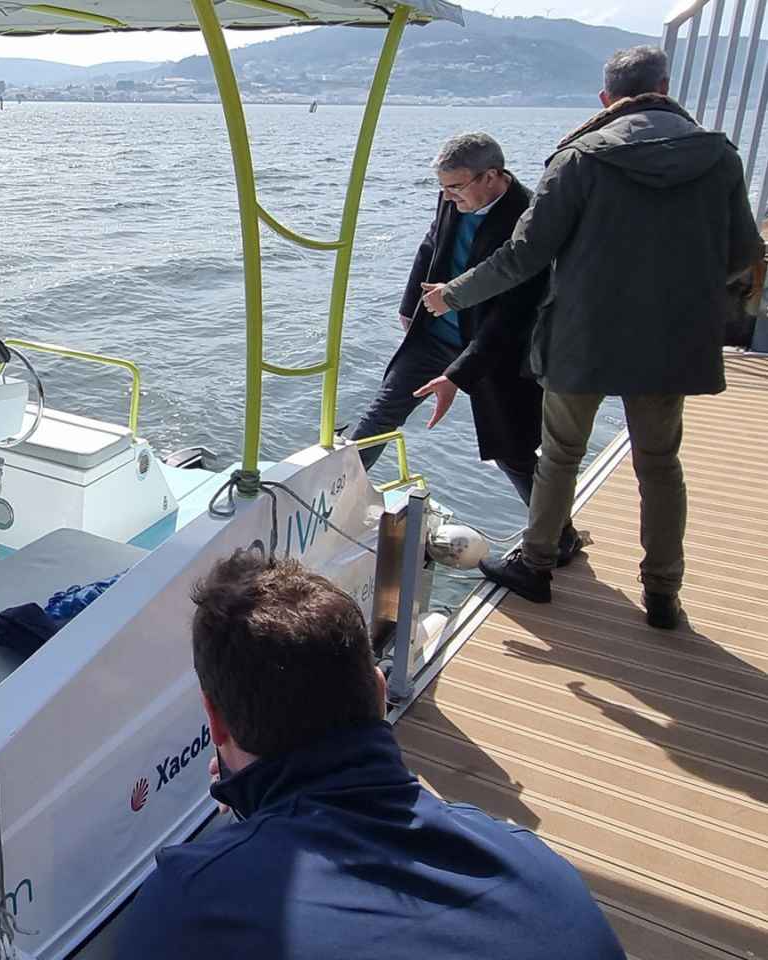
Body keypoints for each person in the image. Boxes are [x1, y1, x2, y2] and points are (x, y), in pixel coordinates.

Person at [118, 551, 626, 959]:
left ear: (216, 720)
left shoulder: (188, 910)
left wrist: (247, 836)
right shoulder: (536, 868)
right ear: (380, 692)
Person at [420, 46, 764, 628]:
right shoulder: (719, 156)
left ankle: (535, 566)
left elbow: (524, 255)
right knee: (660, 464)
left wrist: (453, 294)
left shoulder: (578, 159)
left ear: (606, 100)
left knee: (557, 457)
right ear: (664, 85)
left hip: (584, 336)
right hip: (672, 338)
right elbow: (743, 254)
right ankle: (662, 594)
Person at [352, 133, 579, 563]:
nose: (447, 196)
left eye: (456, 187)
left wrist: (460, 373)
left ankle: (558, 534)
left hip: (493, 349)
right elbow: (431, 244)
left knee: (511, 449)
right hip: (434, 336)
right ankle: (331, 491)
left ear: (492, 176)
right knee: (381, 415)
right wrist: (409, 306)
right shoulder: (452, 199)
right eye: (442, 188)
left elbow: (514, 313)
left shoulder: (529, 220)